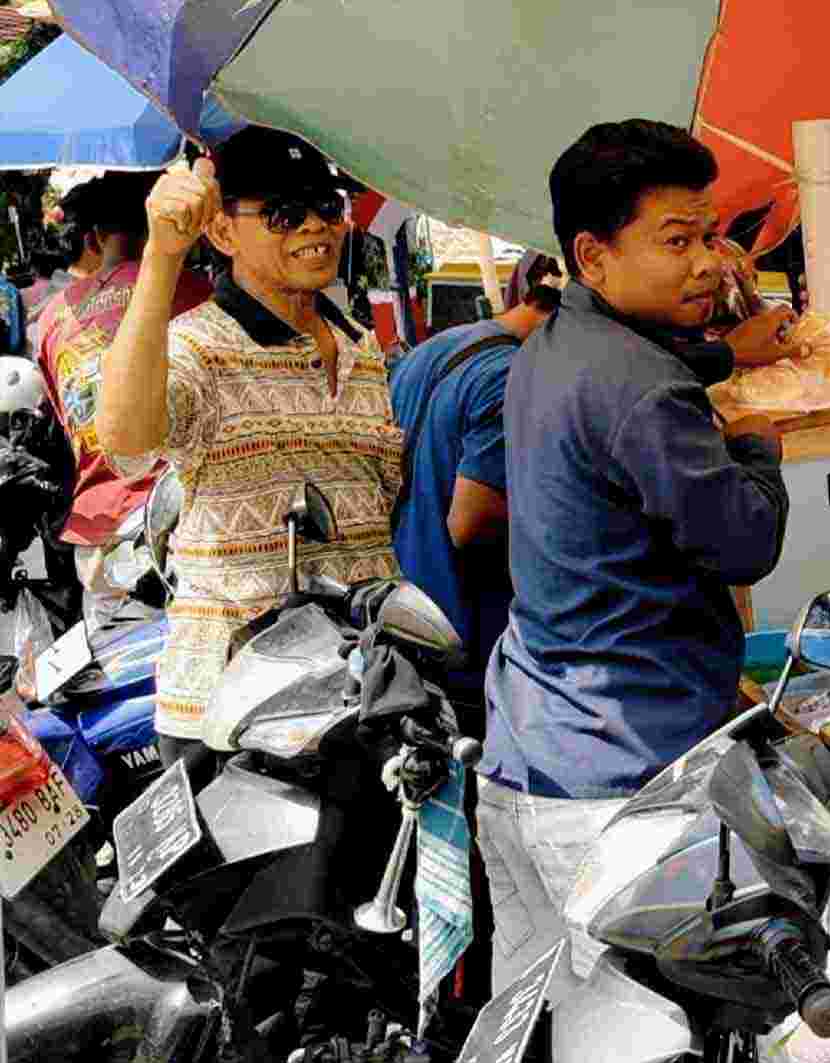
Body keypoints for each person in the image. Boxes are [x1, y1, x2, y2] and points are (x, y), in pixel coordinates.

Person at [479, 119, 790, 993]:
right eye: (676, 241)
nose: (708, 264)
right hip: (620, 774)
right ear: (593, 254)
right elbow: (745, 540)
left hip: (528, 749)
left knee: (546, 1018)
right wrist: (758, 451)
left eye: (711, 236)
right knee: (643, 1022)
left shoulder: (549, 348)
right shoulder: (642, 386)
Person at [94, 128, 402, 780]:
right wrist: (162, 257)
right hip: (229, 711)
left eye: (327, 207)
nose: (316, 226)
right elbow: (124, 435)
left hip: (352, 699)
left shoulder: (361, 346)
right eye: (285, 213)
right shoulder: (199, 345)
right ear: (223, 232)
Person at [35, 172, 214, 625]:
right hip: (176, 523)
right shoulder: (195, 291)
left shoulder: (53, 316)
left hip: (95, 529)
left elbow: (65, 417)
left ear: (95, 236)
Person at [389, 251, 562, 714]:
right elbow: (471, 520)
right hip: (469, 628)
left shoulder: (431, 349)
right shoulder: (511, 375)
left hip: (409, 607)